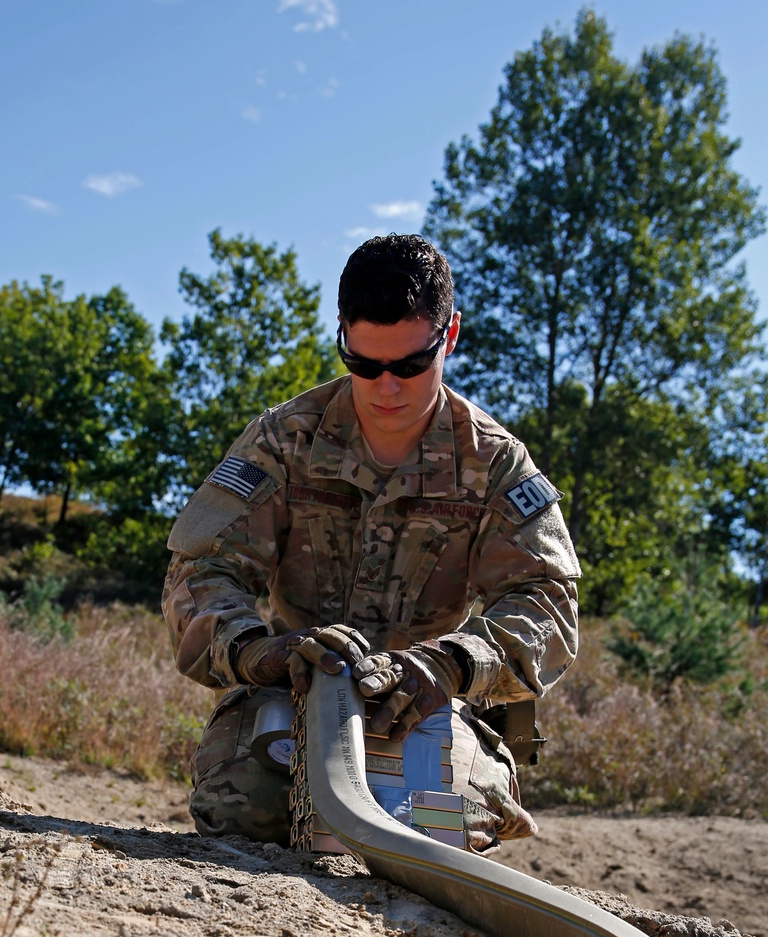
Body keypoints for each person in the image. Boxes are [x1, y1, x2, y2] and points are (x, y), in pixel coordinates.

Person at [162, 234, 580, 853]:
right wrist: (260, 654)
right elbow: (202, 572)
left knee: (438, 831)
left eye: (410, 365)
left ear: (451, 335)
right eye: (363, 365)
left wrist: (455, 662)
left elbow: (545, 602)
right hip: (298, 692)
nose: (387, 388)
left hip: (432, 701)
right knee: (244, 808)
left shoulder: (493, 463)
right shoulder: (283, 442)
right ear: (342, 336)